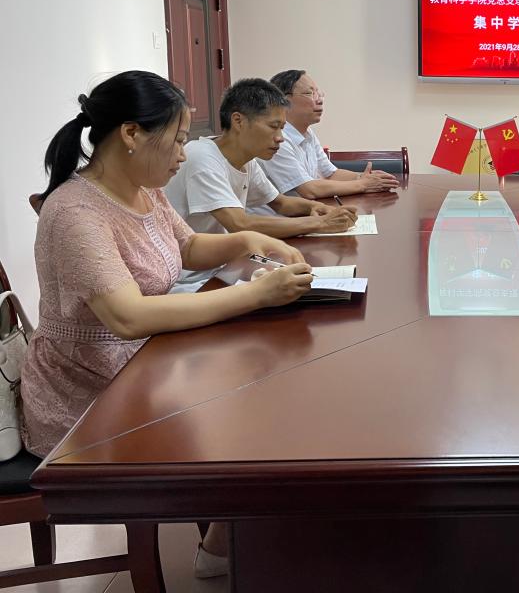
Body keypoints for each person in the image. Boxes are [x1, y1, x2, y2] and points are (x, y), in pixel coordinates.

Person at [20, 71, 313, 579]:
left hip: (144, 361)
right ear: (131, 134)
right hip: (90, 387)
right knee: (244, 400)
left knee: (266, 374)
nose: (183, 155)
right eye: (177, 140)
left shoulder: (143, 190)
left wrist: (251, 241)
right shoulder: (74, 212)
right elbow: (128, 316)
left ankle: (240, 529)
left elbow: (188, 245)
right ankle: (230, 539)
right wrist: (253, 294)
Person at [165, 78, 357, 284]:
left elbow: (281, 203)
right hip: (192, 278)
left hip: (224, 266)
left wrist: (316, 208)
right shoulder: (203, 157)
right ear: (238, 121)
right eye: (273, 127)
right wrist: (319, 223)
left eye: (282, 128)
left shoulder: (247, 160)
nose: (280, 137)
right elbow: (240, 224)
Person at [262, 69, 400, 199]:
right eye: (309, 94)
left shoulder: (308, 133)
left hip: (305, 211)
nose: (319, 100)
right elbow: (309, 190)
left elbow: (331, 174)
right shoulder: (277, 139)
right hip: (278, 216)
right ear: (284, 101)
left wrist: (363, 177)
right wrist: (363, 184)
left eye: (318, 94)